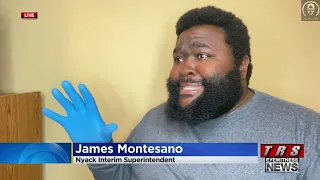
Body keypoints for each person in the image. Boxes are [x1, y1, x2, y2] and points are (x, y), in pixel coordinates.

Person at [42, 5, 320, 180]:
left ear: (242, 65)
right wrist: (99, 153)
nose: (186, 67)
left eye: (202, 54)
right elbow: (124, 176)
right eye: (178, 58)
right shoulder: (153, 122)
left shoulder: (304, 130)